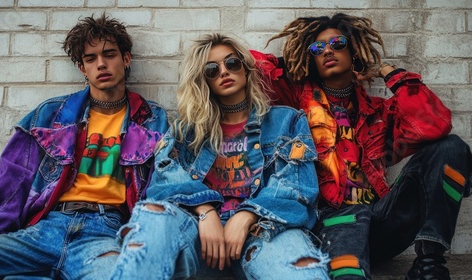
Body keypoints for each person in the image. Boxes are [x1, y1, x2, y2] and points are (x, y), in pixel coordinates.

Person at [251, 13, 472, 280]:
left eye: (337, 44)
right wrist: (297, 63)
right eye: (318, 48)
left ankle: (429, 264)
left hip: (382, 221)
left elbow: (434, 124)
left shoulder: (380, 112)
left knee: (451, 147)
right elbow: (250, 66)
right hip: (332, 221)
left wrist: (387, 72)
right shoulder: (296, 102)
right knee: (348, 272)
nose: (328, 51)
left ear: (354, 51)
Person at [109, 33, 330, 280]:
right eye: (212, 70)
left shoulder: (286, 120)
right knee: (155, 216)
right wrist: (205, 210)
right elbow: (162, 182)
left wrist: (247, 215)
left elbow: (299, 187)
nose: (224, 72)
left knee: (300, 269)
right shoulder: (187, 130)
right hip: (199, 234)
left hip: (265, 228)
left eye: (232, 63)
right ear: (204, 81)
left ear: (246, 69)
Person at [0, 14, 168, 279]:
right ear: (82, 68)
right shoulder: (49, 116)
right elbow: (11, 183)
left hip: (104, 233)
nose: (101, 64)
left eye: (109, 54)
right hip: (44, 230)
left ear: (126, 59)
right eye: (90, 59)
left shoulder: (152, 120)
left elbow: (161, 187)